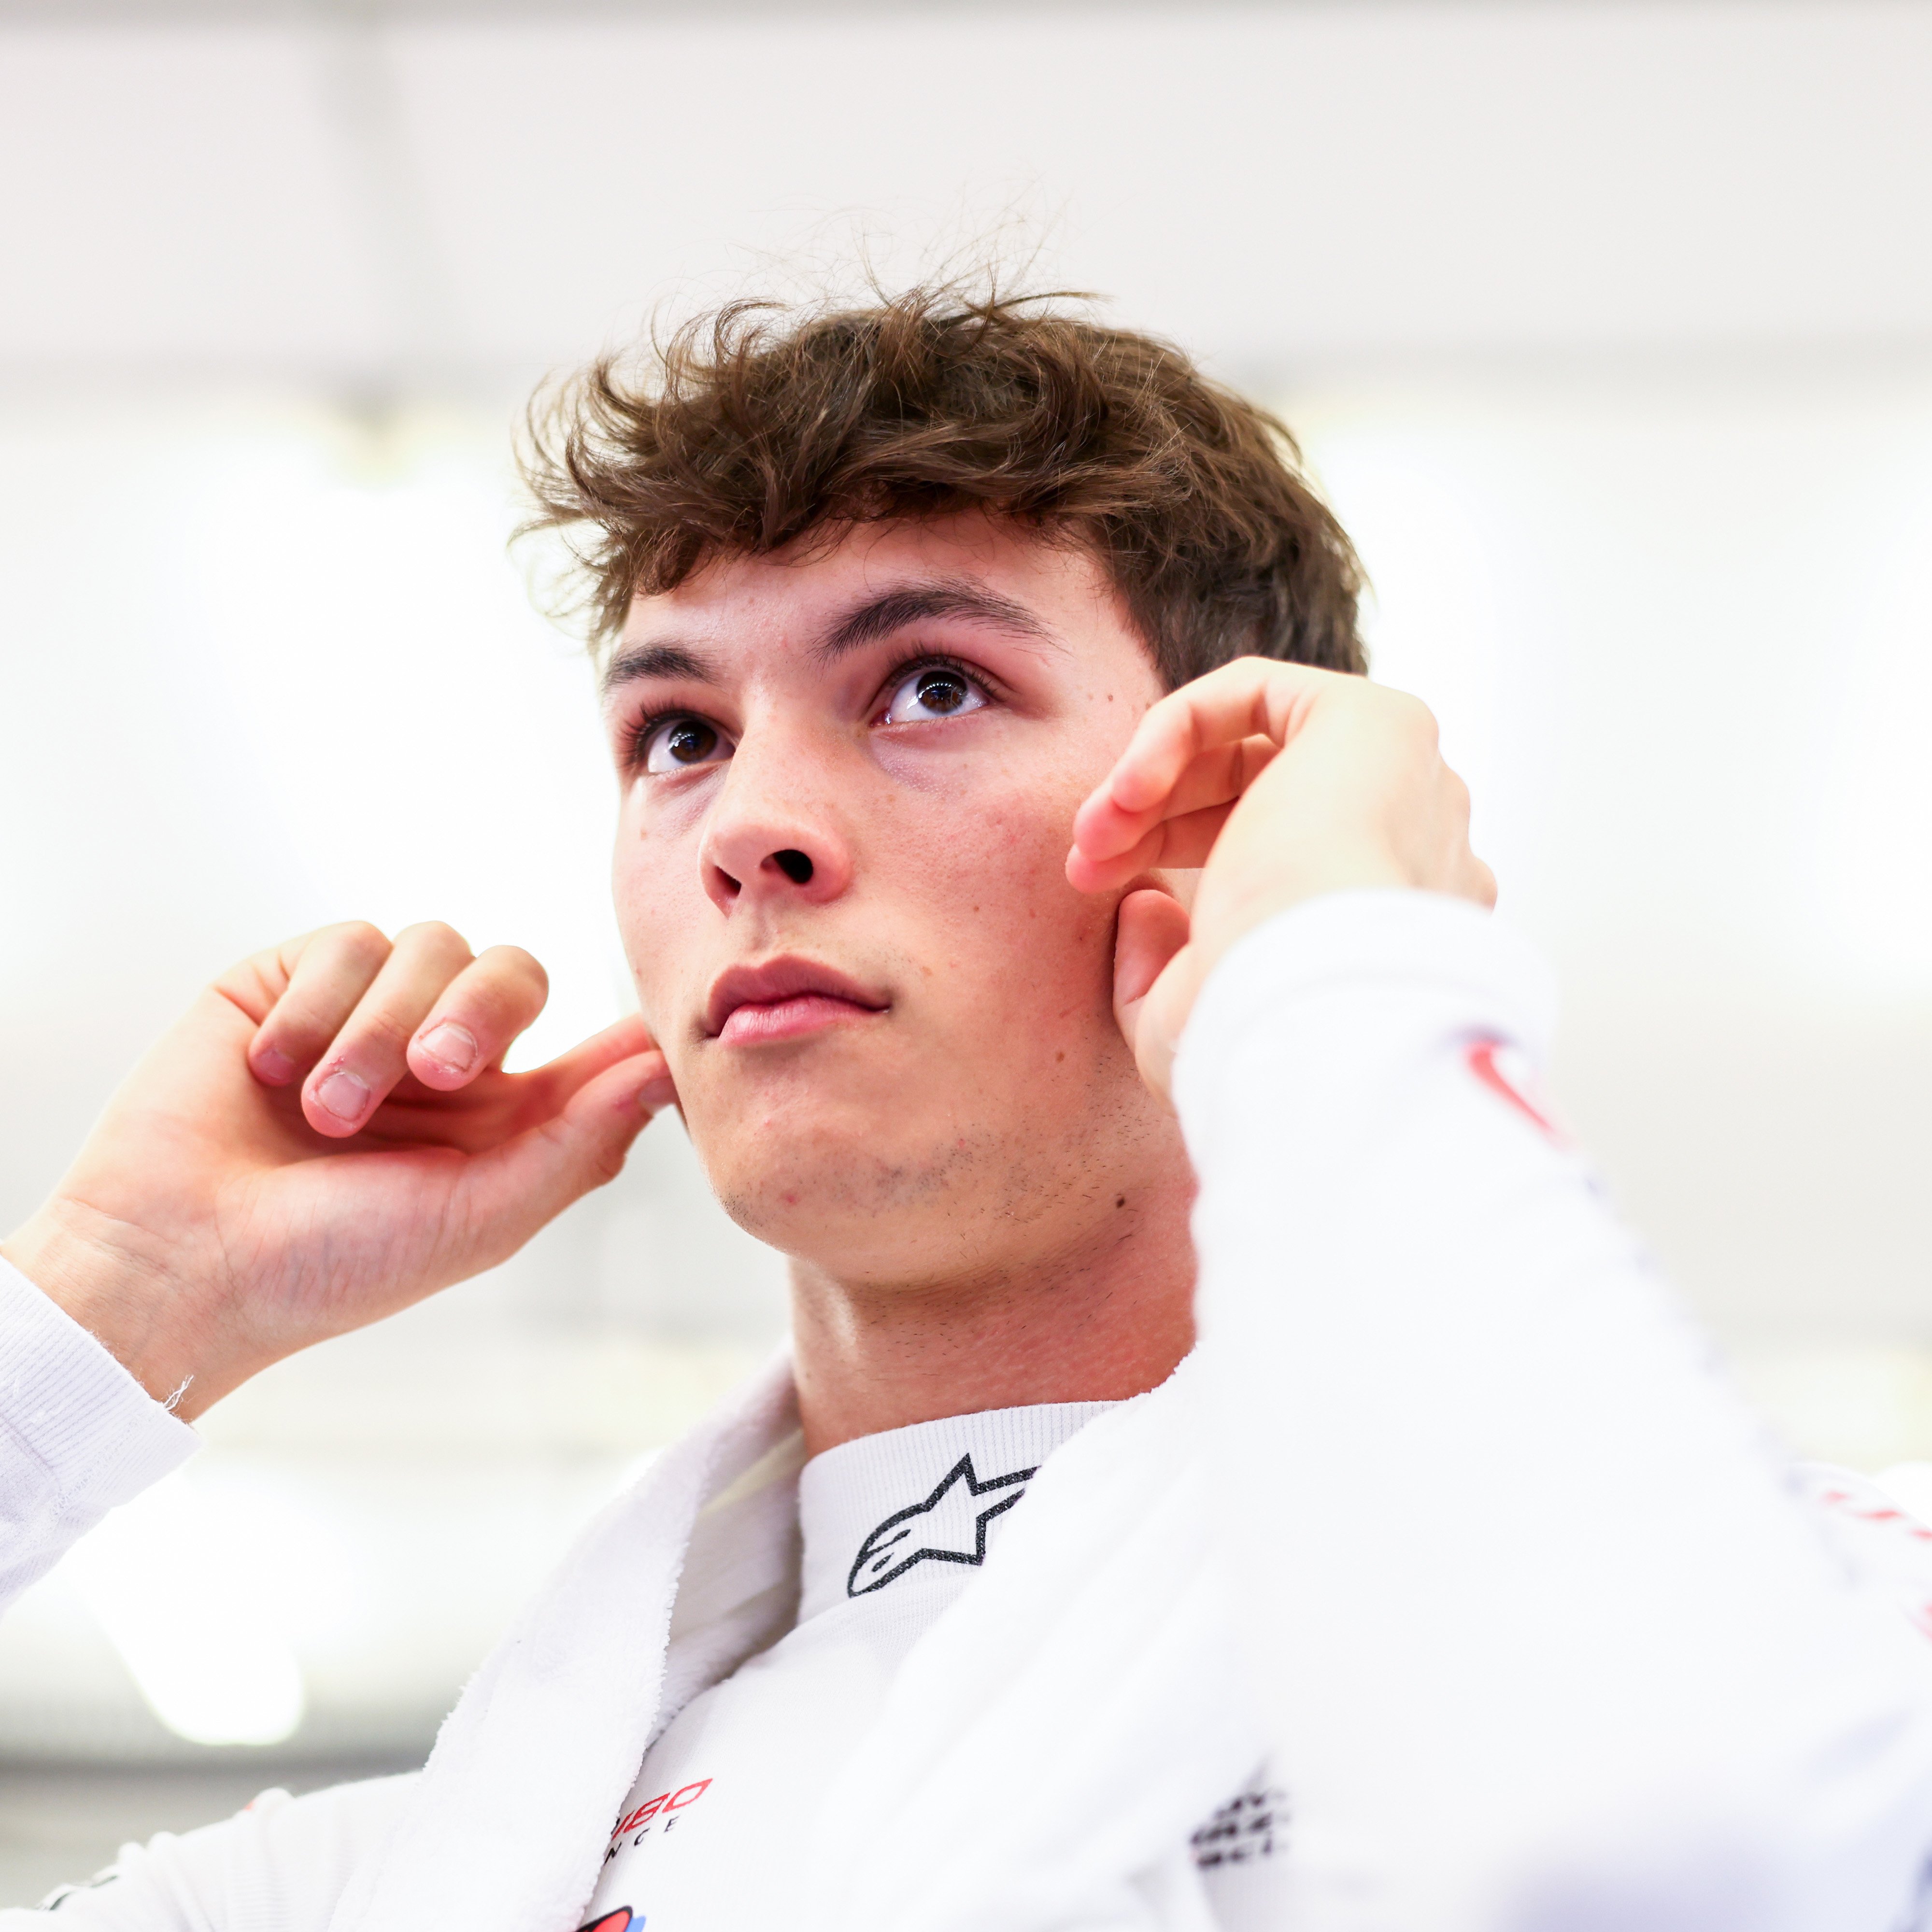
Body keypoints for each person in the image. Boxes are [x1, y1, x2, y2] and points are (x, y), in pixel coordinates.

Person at [6, 286, 1932, 1932]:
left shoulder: (1840, 1607)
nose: (748, 824)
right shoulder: (360, 1886)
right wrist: (112, 1299)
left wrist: (1338, 981)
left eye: (931, 685)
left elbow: (1687, 1844)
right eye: (679, 733)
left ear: (1230, 815)